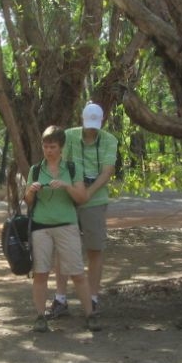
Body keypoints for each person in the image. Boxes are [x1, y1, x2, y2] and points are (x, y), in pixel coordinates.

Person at [26, 125, 101, 333]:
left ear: (61, 148)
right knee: (40, 273)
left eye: (53, 146)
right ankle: (40, 317)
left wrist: (66, 186)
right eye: (45, 146)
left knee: (77, 272)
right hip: (41, 227)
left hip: (67, 225)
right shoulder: (35, 170)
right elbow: (28, 201)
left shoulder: (72, 168)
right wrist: (32, 191)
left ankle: (90, 315)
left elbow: (82, 197)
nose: (49, 150)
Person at [50, 102, 118, 319]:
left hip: (95, 199)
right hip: (69, 198)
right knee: (63, 248)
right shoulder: (69, 136)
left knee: (94, 249)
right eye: (88, 125)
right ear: (82, 120)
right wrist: (73, 190)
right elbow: (58, 162)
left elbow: (107, 171)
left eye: (94, 126)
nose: (90, 130)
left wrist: (88, 193)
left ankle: (93, 298)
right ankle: (60, 298)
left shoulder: (109, 140)